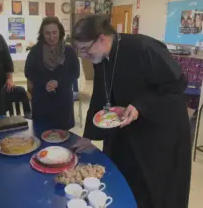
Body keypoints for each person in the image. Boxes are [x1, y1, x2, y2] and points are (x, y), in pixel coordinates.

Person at [71, 15, 191, 208]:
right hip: (127, 128)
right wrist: (89, 136)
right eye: (79, 51)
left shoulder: (144, 47)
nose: (83, 55)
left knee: (154, 189)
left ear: (102, 38)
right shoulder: (101, 55)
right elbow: (100, 95)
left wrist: (141, 106)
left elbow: (176, 86)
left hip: (159, 132)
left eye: (85, 49)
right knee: (124, 179)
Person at [25, 16, 79, 130]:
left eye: (54, 32)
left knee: (63, 139)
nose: (51, 37)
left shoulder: (69, 51)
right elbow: (28, 72)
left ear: (60, 32)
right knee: (40, 135)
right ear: (42, 34)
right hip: (41, 102)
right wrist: (44, 83)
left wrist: (58, 82)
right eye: (47, 33)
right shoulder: (35, 51)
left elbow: (75, 73)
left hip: (63, 102)